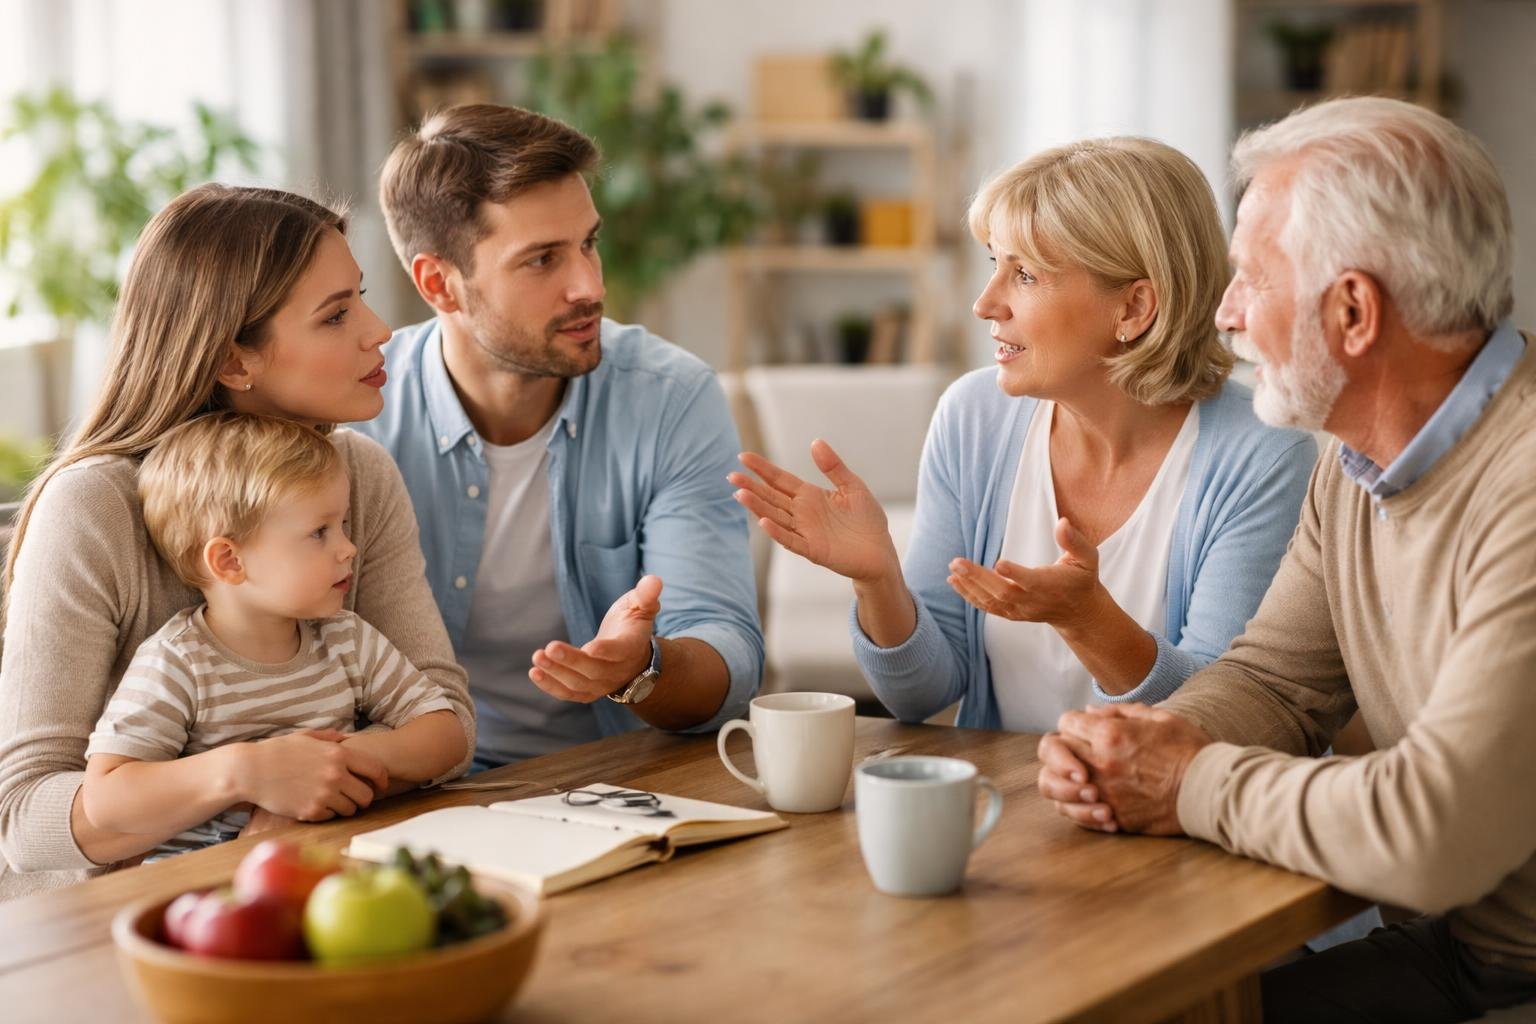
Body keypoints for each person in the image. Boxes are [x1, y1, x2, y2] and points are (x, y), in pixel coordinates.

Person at [1037, 97, 1536, 1022]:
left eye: (1249, 281)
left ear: (1352, 310)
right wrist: (1138, 746)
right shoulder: (1356, 460)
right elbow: (1277, 682)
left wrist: (1186, 781)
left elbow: (1436, 835)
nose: (1224, 314)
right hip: (1460, 952)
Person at [731, 138, 1314, 732]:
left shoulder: (1262, 452)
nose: (986, 304)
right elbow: (922, 695)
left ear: (1134, 308)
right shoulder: (973, 417)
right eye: (995, 266)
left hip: (1173, 816)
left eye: (1026, 275)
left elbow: (1224, 720)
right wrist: (877, 579)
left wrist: (1090, 621)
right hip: (1007, 805)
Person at [0, 185, 474, 899]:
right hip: (116, 928)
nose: (379, 330)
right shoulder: (92, 507)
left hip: (318, 885)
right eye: (336, 315)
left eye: (360, 299)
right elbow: (25, 822)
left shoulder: (358, 475)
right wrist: (246, 774)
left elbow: (445, 721)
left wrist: (305, 784)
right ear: (233, 362)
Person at [353, 104, 761, 769]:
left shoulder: (670, 398)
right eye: (542, 260)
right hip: (408, 789)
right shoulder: (358, 418)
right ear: (439, 284)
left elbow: (728, 655)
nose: (590, 286)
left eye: (589, 244)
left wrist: (643, 668)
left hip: (616, 778)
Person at [82, 414, 467, 859]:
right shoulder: (177, 663)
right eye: (319, 532)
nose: (348, 548)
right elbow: (106, 800)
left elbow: (446, 735)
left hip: (333, 866)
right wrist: (251, 771)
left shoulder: (345, 637)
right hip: (207, 893)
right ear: (229, 560)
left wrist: (334, 763)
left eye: (343, 525)